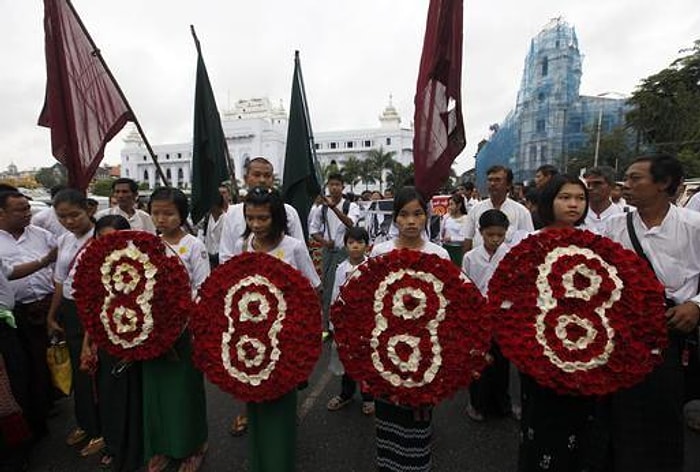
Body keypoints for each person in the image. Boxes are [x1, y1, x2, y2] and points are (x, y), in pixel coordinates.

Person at [601, 154, 700, 472]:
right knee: (620, 413)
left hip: (670, 334)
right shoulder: (612, 227)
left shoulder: (692, 226)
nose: (625, 185)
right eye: (625, 179)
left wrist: (695, 305)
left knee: (662, 415)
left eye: (635, 179)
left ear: (664, 183)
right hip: (620, 336)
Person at [232, 187, 321, 472]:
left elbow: (313, 288)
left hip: (286, 338)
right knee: (255, 396)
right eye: (250, 218)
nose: (256, 225)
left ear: (277, 218)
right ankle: (259, 458)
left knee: (280, 399)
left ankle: (280, 459)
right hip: (252, 336)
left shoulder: (293, 246)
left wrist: (305, 336)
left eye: (263, 219)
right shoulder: (243, 244)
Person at [516, 174, 600, 472]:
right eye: (565, 197)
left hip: (585, 348)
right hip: (540, 350)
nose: (573, 204)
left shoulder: (597, 244)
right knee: (541, 423)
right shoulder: (531, 244)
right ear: (549, 202)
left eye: (579, 198)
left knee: (579, 426)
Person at [218, 157, 305, 437]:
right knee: (250, 355)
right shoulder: (232, 214)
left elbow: (298, 256)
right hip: (247, 303)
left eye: (268, 175)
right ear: (246, 177)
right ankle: (248, 409)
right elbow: (227, 257)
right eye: (257, 174)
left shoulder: (288, 212)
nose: (263, 180)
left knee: (281, 359)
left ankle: (283, 409)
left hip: (284, 305)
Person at [370, 186, 450, 472]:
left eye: (417, 214)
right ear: (395, 219)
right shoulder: (380, 251)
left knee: (418, 411)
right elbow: (368, 297)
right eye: (404, 215)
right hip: (386, 343)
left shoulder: (438, 254)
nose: (411, 221)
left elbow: (450, 301)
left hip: (426, 344)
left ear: (427, 217)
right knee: (389, 406)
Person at [144, 188, 209, 472]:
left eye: (168, 213)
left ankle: (193, 446)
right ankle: (164, 446)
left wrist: (179, 321)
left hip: (183, 333)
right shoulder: (148, 244)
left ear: (182, 214)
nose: (161, 219)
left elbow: (202, 288)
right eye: (156, 213)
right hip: (152, 333)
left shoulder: (194, 245)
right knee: (158, 393)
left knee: (185, 392)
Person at [45, 189, 104, 457]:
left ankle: (103, 428)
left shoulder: (102, 238)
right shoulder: (64, 240)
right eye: (62, 217)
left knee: (95, 370)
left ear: (89, 210)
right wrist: (52, 314)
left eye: (74, 215)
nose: (69, 221)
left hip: (94, 311)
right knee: (80, 374)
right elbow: (60, 280)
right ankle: (86, 423)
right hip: (70, 310)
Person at [85, 214, 144, 471]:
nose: (107, 245)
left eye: (114, 240)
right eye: (101, 239)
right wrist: (88, 344)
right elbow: (90, 308)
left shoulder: (142, 265)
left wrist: (134, 346)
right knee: (109, 397)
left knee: (134, 397)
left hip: (135, 341)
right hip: (105, 340)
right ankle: (113, 445)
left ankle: (136, 448)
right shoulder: (92, 265)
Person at [0, 190, 56, 440]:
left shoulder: (43, 235)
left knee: (45, 362)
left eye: (27, 208)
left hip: (44, 307)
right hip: (14, 316)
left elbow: (58, 268)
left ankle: (44, 408)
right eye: (20, 210)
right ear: (1, 213)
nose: (27, 213)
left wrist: (45, 262)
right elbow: (10, 273)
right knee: (21, 369)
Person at [462, 209, 513, 423]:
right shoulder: (470, 257)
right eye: (490, 234)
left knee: (501, 363)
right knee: (479, 361)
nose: (495, 240)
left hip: (503, 317)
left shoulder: (510, 255)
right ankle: (477, 404)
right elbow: (465, 286)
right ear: (480, 232)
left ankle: (501, 404)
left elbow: (514, 287)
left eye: (500, 235)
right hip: (478, 316)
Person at [326, 226, 374, 416]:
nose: (355, 246)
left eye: (360, 242)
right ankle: (346, 394)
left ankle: (369, 397)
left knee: (368, 360)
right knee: (348, 360)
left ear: (367, 246)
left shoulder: (372, 266)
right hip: (348, 324)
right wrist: (333, 324)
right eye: (351, 243)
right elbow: (335, 296)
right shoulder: (341, 269)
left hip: (368, 323)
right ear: (345, 246)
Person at [309, 173, 361, 330]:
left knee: (345, 287)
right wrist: (325, 242)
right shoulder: (321, 209)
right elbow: (313, 230)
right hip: (329, 251)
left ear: (343, 187)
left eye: (337, 184)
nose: (334, 188)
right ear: (327, 187)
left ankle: (346, 323)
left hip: (346, 252)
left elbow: (351, 224)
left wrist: (334, 209)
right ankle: (327, 325)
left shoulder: (350, 206)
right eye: (331, 185)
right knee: (327, 288)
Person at [464, 165, 534, 252]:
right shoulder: (475, 209)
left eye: (497, 180)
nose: (492, 184)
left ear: (508, 185)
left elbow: (529, 243)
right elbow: (468, 239)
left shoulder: (522, 212)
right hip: (479, 263)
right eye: (490, 180)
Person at [581, 166, 623, 234]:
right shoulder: (577, 215)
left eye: (597, 184)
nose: (590, 188)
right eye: (588, 184)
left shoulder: (623, 215)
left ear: (611, 186)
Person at [199, 193, 228, 268]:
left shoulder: (227, 219)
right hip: (208, 255)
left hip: (220, 256)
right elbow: (201, 235)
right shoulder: (207, 218)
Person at [440, 194, 468, 265]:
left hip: (458, 251)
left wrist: (452, 238)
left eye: (451, 204)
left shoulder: (466, 219)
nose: (449, 207)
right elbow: (440, 234)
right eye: (448, 204)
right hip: (446, 248)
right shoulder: (446, 217)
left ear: (459, 205)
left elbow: (467, 238)